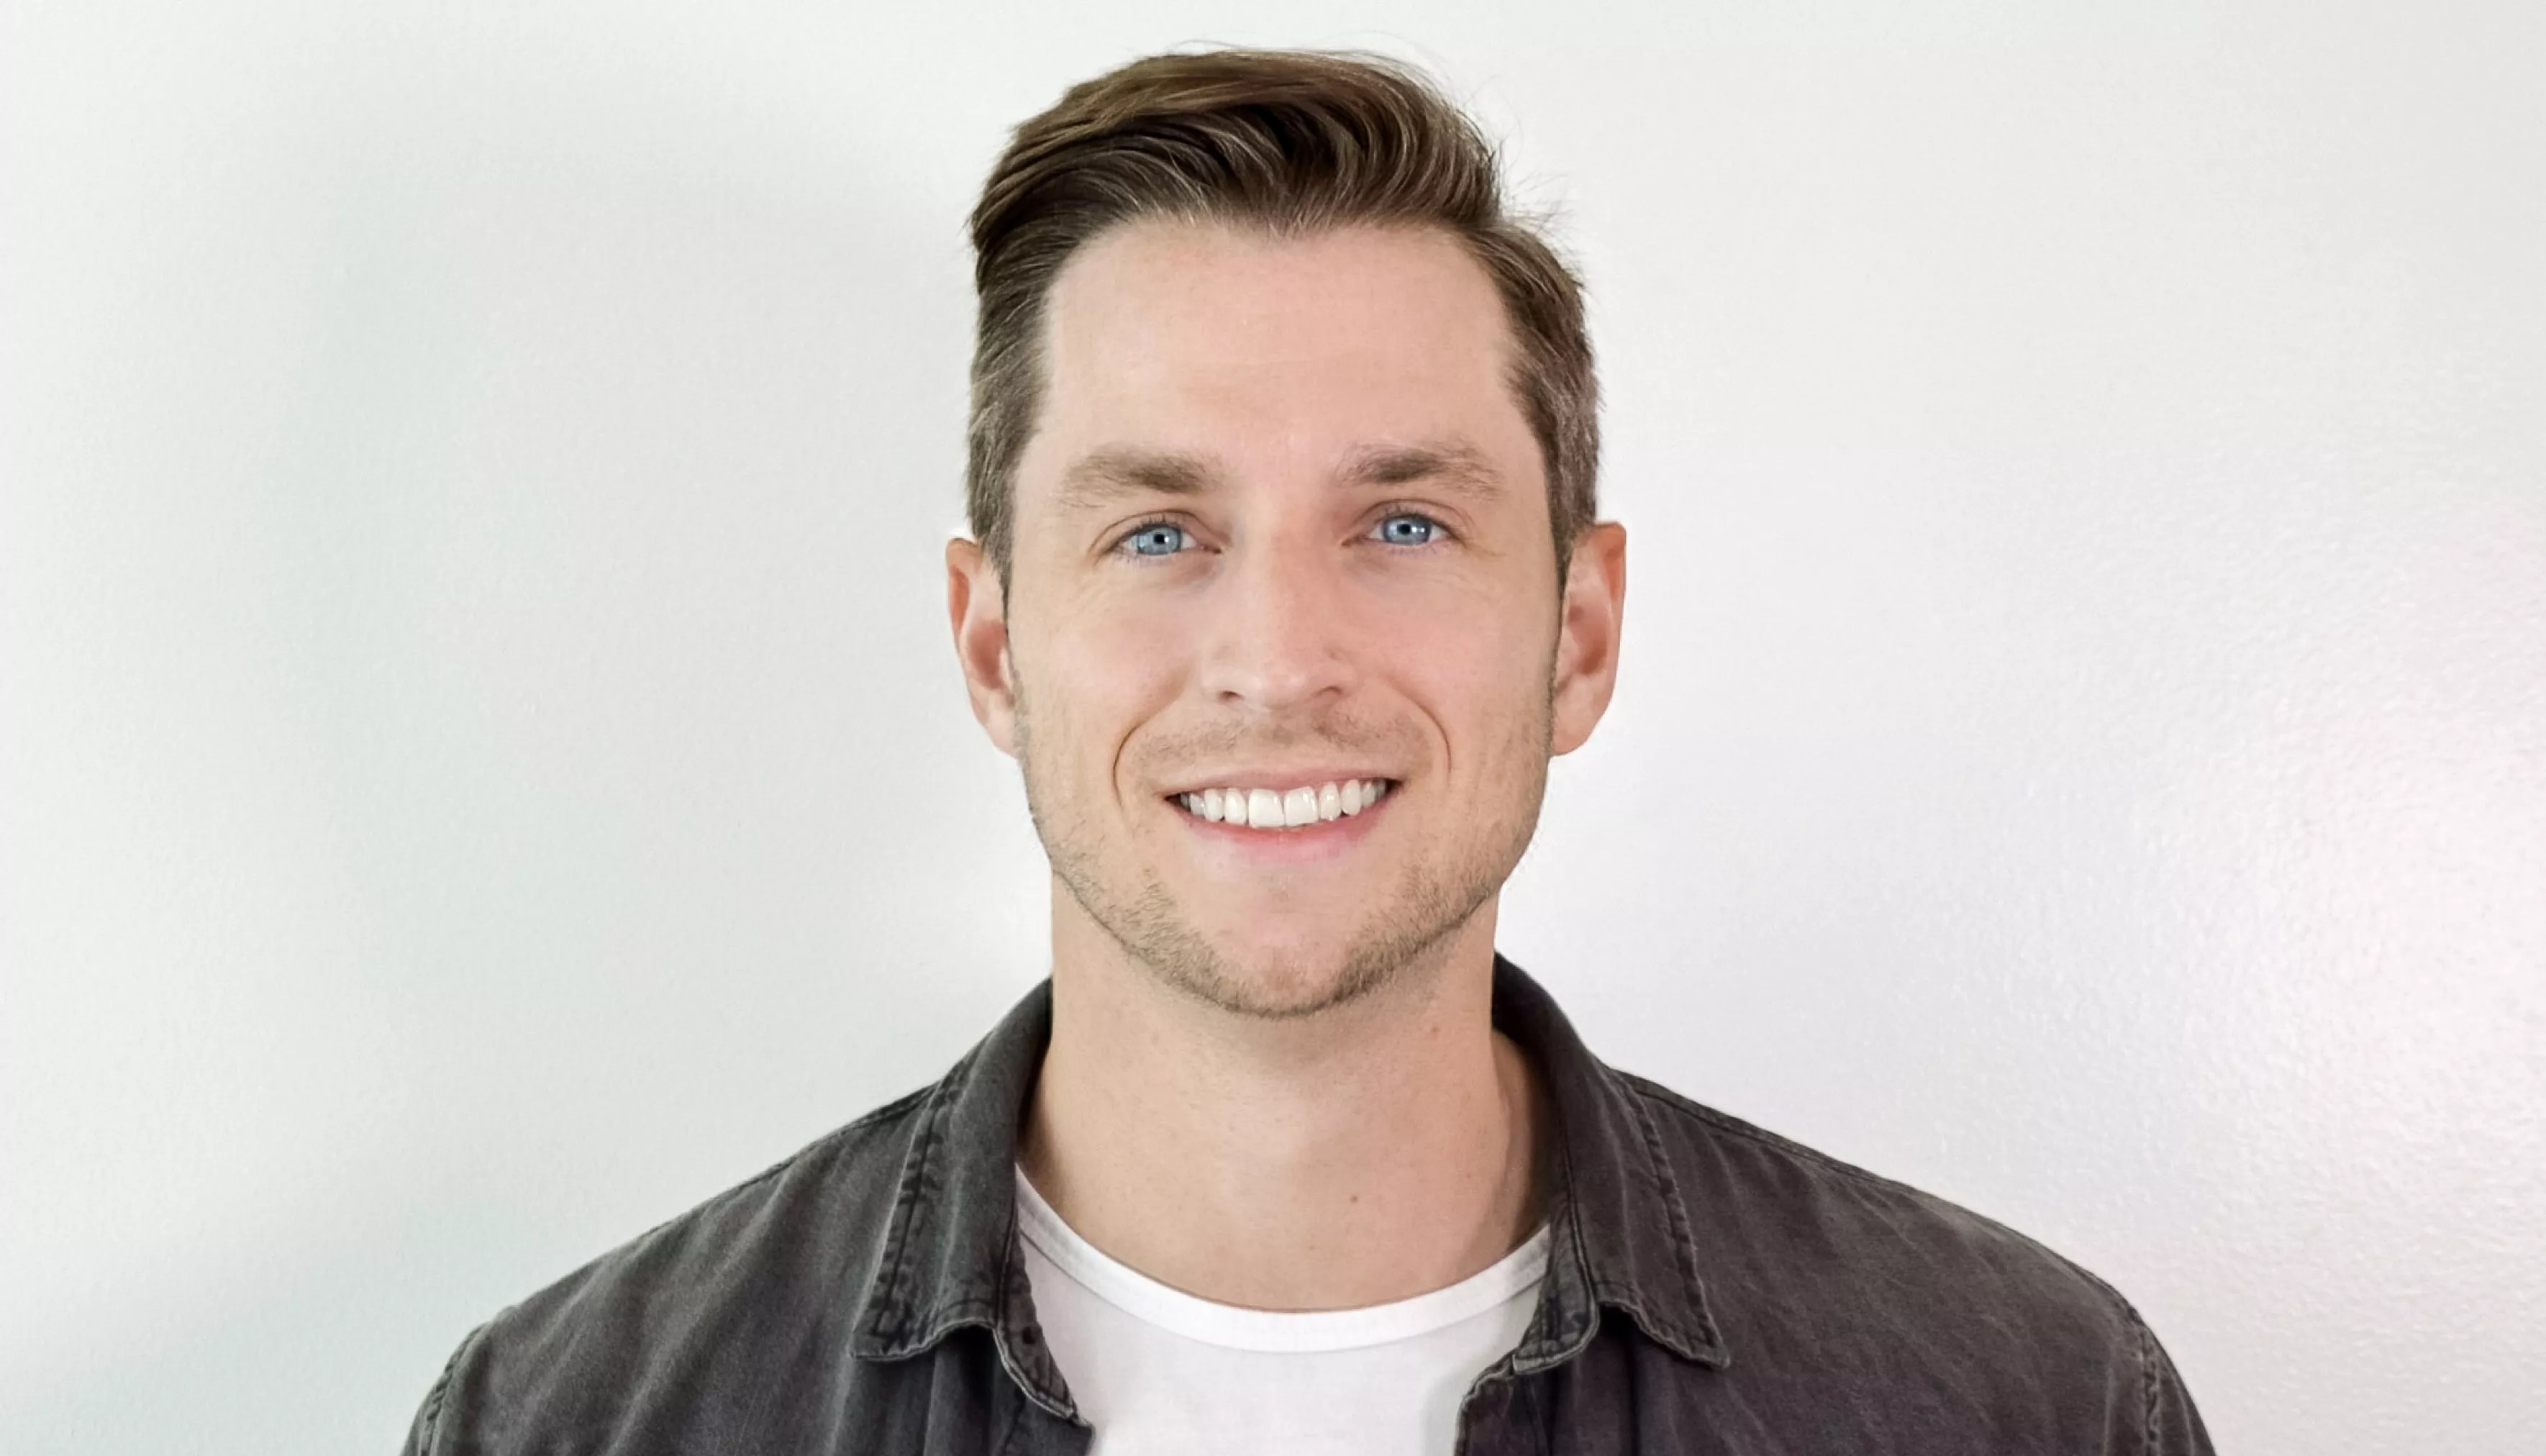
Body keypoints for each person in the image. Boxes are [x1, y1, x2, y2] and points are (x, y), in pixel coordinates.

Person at [401, 48, 2213, 1455]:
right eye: (1158, 533)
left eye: (1404, 525)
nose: (1278, 659)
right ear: (991, 642)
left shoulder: (2019, 1402)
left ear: (1578, 634)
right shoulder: (580, 1416)